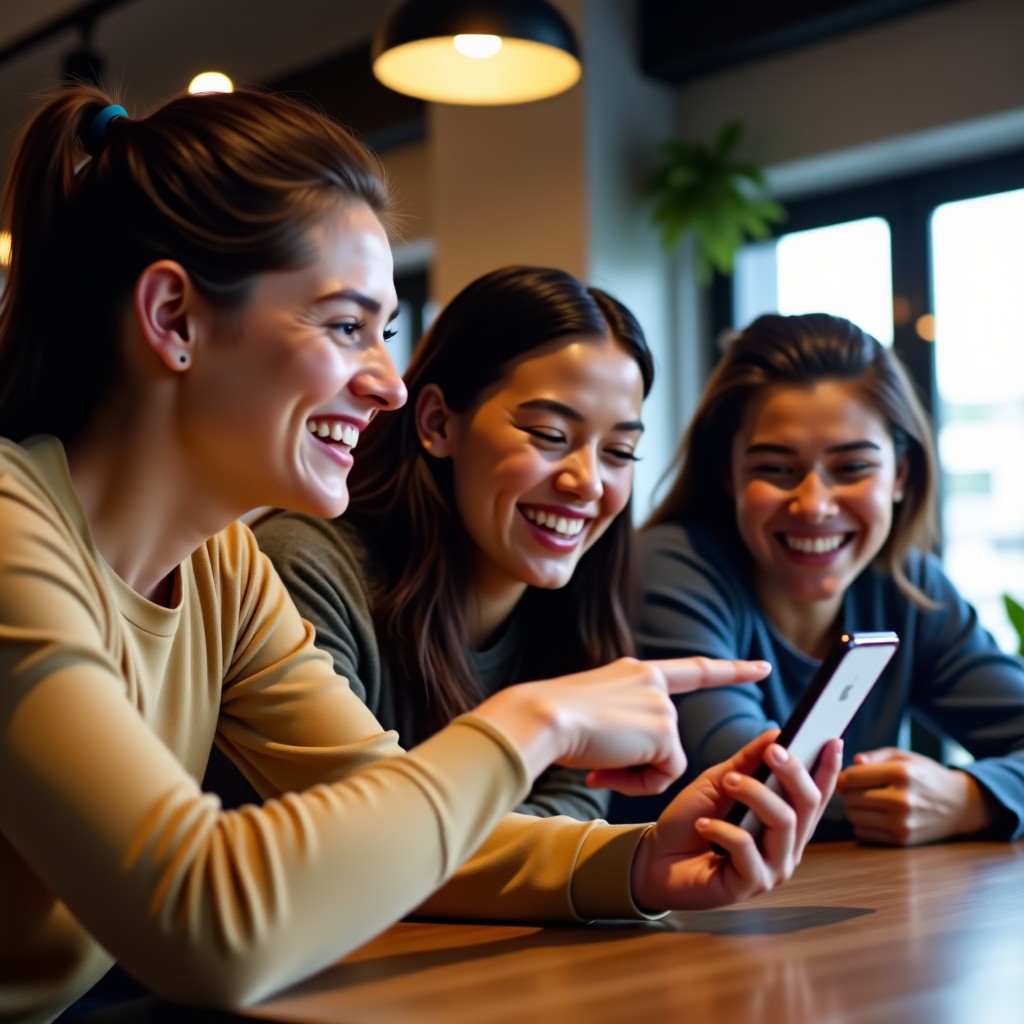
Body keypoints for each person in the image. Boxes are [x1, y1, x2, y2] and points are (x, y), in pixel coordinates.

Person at [0, 85, 839, 1024]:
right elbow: (207, 923)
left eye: (385, 334)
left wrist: (640, 863)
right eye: (345, 325)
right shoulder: (10, 529)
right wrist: (535, 724)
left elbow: (394, 825)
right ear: (175, 318)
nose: (391, 387)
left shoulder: (223, 569)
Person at [232, 265, 653, 821]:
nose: (589, 482)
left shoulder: (580, 609)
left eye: (619, 453)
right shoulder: (306, 567)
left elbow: (575, 807)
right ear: (437, 422)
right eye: (550, 437)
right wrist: (541, 721)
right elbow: (373, 830)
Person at [614, 312, 1024, 845]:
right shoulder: (669, 568)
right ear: (728, 473)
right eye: (776, 469)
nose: (813, 505)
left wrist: (968, 799)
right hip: (670, 920)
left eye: (853, 468)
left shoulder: (908, 586)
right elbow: (755, 785)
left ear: (899, 476)